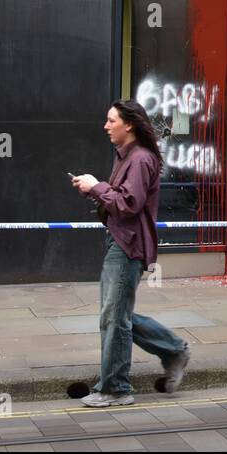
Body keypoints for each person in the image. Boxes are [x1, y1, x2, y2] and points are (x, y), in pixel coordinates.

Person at [71, 99, 190, 407]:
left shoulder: (139, 160)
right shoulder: (128, 156)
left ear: (130, 125)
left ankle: (116, 388)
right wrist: (94, 188)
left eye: (112, 121)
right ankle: (173, 350)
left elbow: (127, 204)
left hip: (127, 246)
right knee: (116, 316)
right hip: (120, 242)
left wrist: (96, 186)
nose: (106, 126)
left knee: (114, 318)